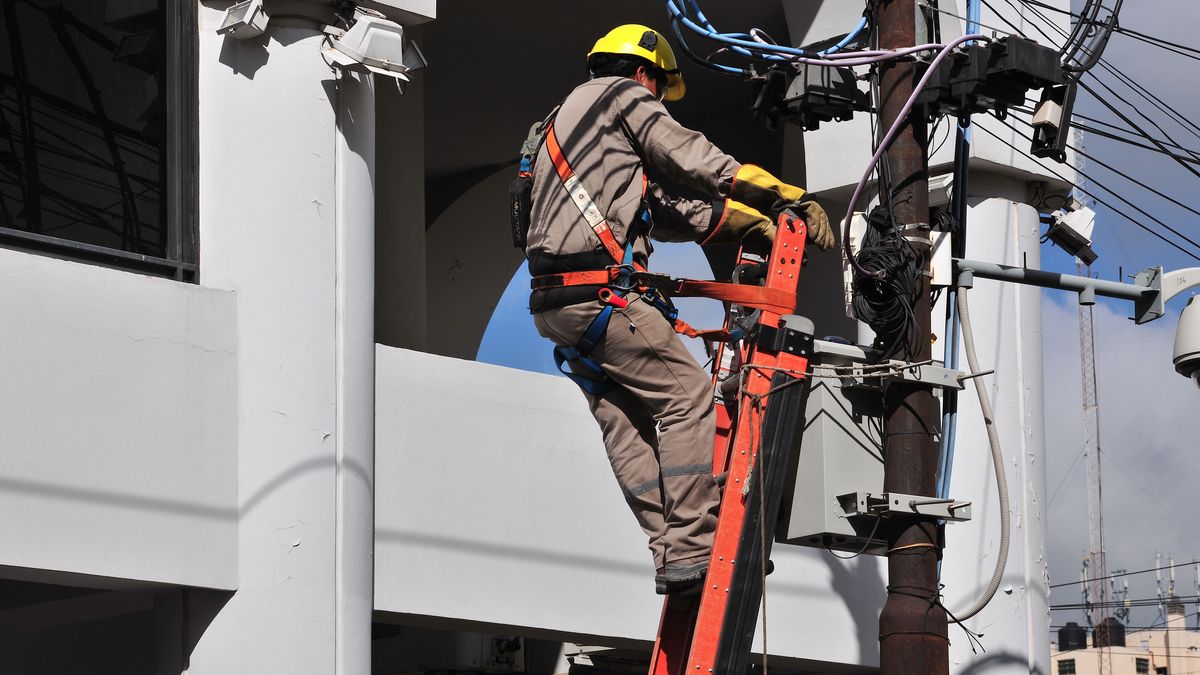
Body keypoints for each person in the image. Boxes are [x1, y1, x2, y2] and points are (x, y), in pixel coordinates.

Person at [524, 24, 834, 595]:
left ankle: (672, 552)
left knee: (627, 424)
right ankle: (694, 543)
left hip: (556, 305)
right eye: (661, 90)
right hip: (602, 295)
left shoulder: (558, 129)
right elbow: (691, 159)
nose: (659, 102)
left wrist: (753, 225)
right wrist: (781, 196)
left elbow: (671, 209)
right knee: (688, 397)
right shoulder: (624, 97)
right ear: (645, 74)